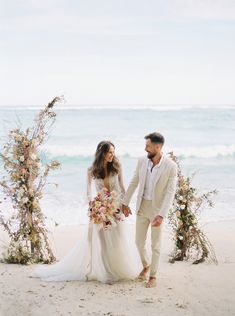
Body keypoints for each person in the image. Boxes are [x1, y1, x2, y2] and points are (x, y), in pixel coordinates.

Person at [31, 141, 139, 284]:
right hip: (100, 210)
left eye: (113, 152)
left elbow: (123, 188)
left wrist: (126, 204)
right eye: (109, 152)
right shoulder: (91, 170)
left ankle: (118, 269)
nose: (112, 155)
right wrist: (93, 207)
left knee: (118, 240)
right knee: (103, 243)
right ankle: (107, 273)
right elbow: (88, 192)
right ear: (102, 153)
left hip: (117, 209)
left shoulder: (117, 167)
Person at [122, 132, 177, 288]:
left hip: (157, 210)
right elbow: (134, 182)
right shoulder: (141, 162)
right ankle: (146, 265)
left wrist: (161, 215)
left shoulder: (171, 166)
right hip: (142, 207)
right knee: (138, 242)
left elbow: (170, 192)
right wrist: (125, 202)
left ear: (157, 147)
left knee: (156, 245)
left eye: (148, 146)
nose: (145, 149)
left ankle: (153, 275)